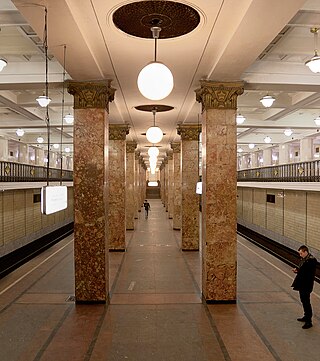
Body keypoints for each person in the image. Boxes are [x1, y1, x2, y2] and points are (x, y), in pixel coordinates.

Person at [291, 245, 317, 329]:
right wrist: (297, 270)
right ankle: (306, 316)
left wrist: (298, 271)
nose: (300, 255)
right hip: (302, 284)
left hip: (306, 285)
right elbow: (303, 270)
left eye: (301, 253)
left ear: (306, 252)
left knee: (306, 302)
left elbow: (307, 273)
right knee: (303, 301)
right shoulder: (305, 259)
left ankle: (309, 321)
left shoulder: (311, 261)